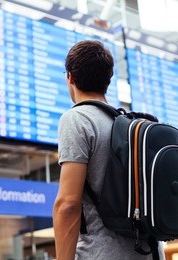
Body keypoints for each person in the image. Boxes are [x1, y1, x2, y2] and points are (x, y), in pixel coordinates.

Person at [53, 40, 163, 260]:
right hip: (149, 253)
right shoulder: (130, 126)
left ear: (70, 78)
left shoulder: (77, 119)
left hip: (102, 253)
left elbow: (67, 204)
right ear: (108, 81)